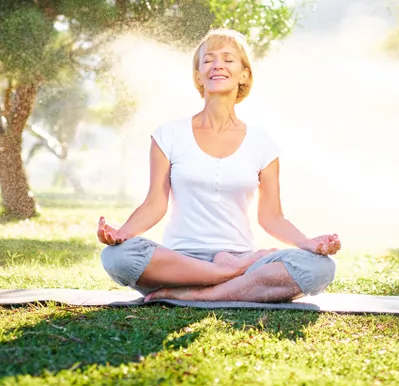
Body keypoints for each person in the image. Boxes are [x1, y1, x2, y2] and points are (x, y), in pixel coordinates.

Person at [98, 28, 340, 303]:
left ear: (244, 74)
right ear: (199, 75)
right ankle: (226, 278)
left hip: (242, 256)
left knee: (320, 267)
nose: (217, 65)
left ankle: (202, 294)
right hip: (181, 263)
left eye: (228, 59)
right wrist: (122, 234)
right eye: (208, 60)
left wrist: (308, 244)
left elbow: (271, 217)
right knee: (116, 257)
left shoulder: (262, 143)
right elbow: (155, 204)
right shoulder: (168, 135)